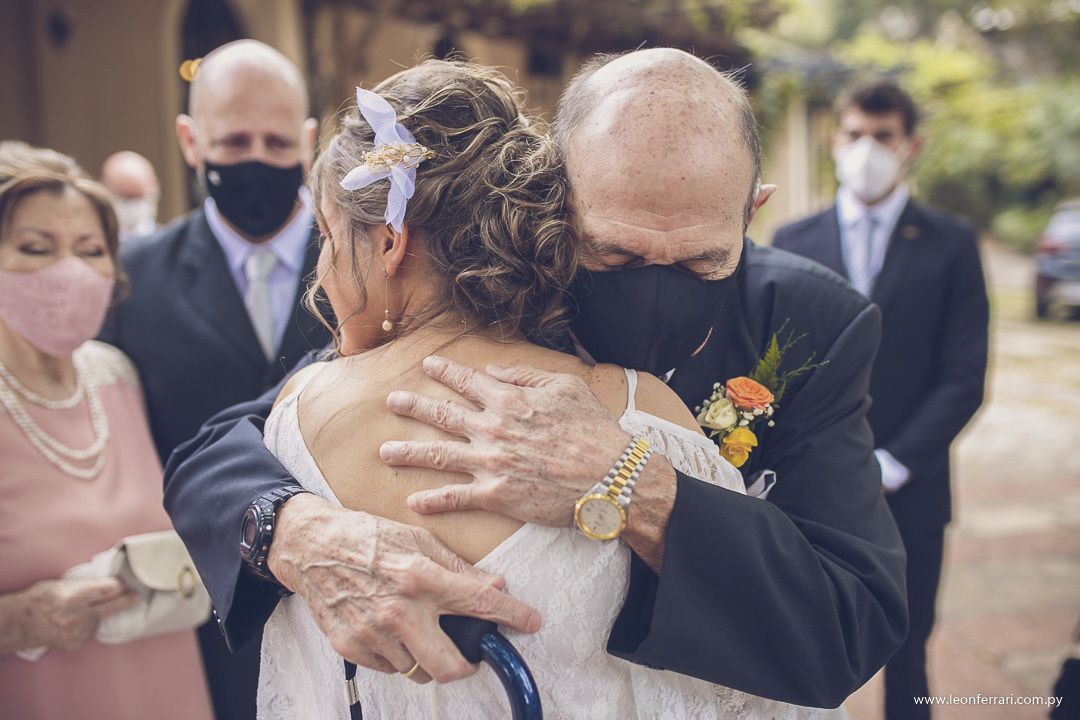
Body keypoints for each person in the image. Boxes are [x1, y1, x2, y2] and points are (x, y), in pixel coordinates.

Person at [165, 48, 908, 709]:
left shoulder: (813, 321)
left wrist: (642, 490)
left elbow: (854, 618)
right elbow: (218, 451)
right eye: (614, 256)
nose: (656, 290)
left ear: (752, 212)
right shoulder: (500, 288)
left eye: (700, 262)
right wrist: (296, 530)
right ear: (554, 198)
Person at [97, 40, 332, 720]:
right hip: (201, 629)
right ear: (191, 141)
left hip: (344, 625)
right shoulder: (131, 280)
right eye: (234, 141)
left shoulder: (368, 260)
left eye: (276, 141)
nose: (256, 158)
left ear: (307, 142)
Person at [773, 79, 989, 720]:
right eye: (855, 134)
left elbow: (964, 376)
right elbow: (777, 367)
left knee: (909, 647)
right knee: (798, 641)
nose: (867, 149)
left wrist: (893, 463)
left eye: (883, 136)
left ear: (910, 146)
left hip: (911, 487)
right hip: (810, 489)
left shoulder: (951, 244)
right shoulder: (793, 239)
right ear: (835, 140)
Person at [0, 141, 213, 719]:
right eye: (36, 248)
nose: (68, 270)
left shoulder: (117, 377)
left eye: (90, 250)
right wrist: (22, 620)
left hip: (169, 688)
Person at [100, 150, 160, 243]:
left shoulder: (168, 243)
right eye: (126, 199)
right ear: (106, 189)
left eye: (140, 198)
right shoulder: (97, 243)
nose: (134, 208)